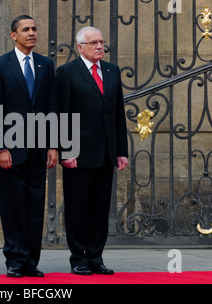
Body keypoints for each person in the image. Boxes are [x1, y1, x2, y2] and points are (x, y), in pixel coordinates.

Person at [0, 15, 58, 278]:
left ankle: (31, 261)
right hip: (11, 151)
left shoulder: (46, 65)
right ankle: (14, 260)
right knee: (12, 206)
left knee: (35, 205)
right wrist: (0, 148)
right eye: (25, 29)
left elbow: (52, 106)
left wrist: (53, 145)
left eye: (34, 29)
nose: (32, 33)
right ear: (14, 35)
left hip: (39, 149)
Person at [56, 26, 128, 276]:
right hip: (78, 154)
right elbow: (61, 115)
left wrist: (121, 150)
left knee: (100, 208)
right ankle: (78, 258)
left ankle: (96, 257)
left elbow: (118, 113)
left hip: (106, 152)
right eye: (94, 42)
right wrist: (66, 150)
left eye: (102, 42)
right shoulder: (67, 73)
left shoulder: (112, 71)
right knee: (78, 208)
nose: (100, 46)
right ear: (81, 48)